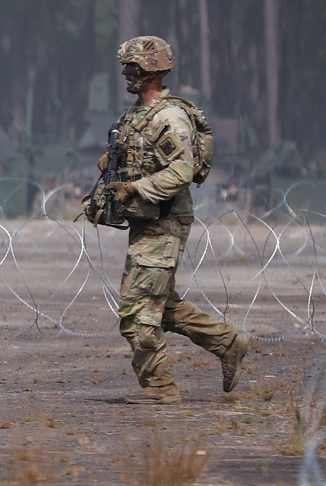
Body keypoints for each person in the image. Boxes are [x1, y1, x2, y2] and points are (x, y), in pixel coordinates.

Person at [100, 35, 250, 405]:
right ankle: (227, 342)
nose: (125, 73)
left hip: (163, 222)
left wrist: (134, 189)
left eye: (131, 67)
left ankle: (159, 388)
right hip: (146, 221)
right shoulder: (137, 114)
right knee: (162, 305)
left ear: (150, 70)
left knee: (136, 311)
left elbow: (180, 173)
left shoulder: (170, 117)